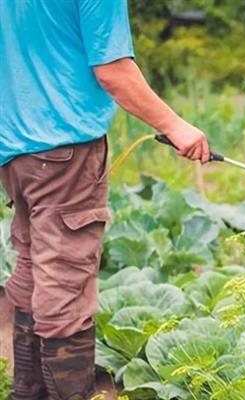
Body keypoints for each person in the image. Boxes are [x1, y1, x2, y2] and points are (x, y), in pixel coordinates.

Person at [0, 1, 209, 398]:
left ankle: (26, 393)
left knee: (32, 264)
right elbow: (113, 72)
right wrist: (176, 126)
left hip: (14, 150)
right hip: (65, 152)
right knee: (65, 284)